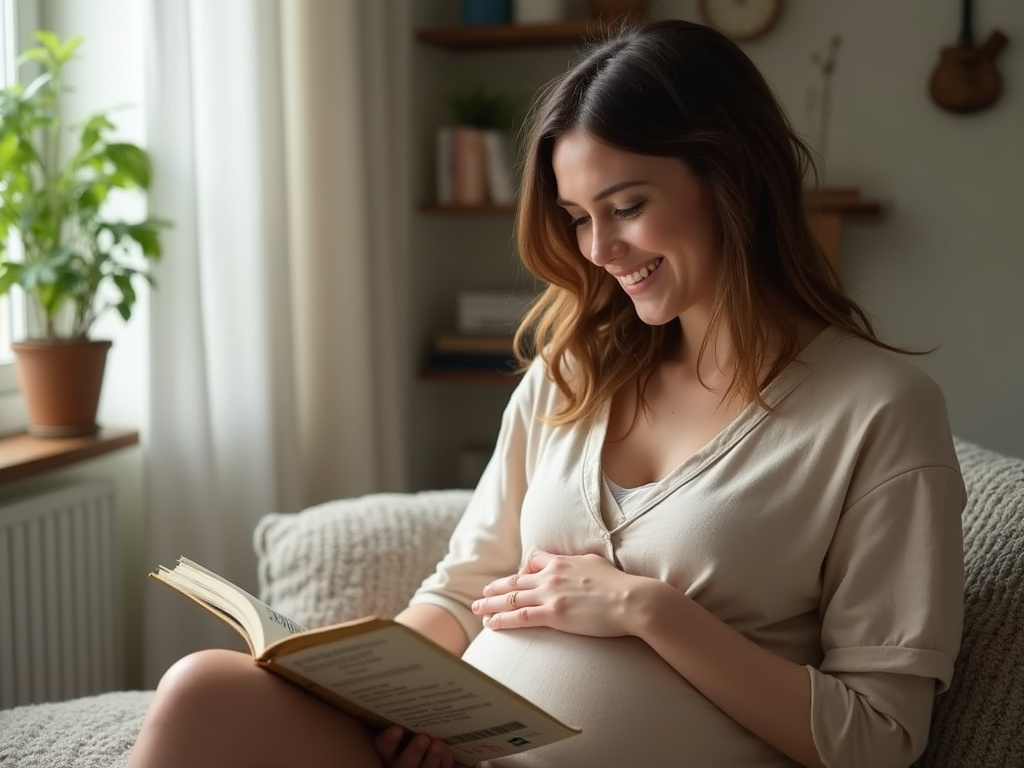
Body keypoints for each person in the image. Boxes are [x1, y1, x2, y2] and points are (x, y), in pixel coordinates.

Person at [127, 19, 965, 768]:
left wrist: (650, 611)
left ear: (731, 179)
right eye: (575, 216)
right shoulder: (571, 375)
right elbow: (460, 595)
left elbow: (881, 736)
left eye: (627, 206)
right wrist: (388, 700)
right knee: (205, 687)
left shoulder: (879, 410)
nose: (598, 248)